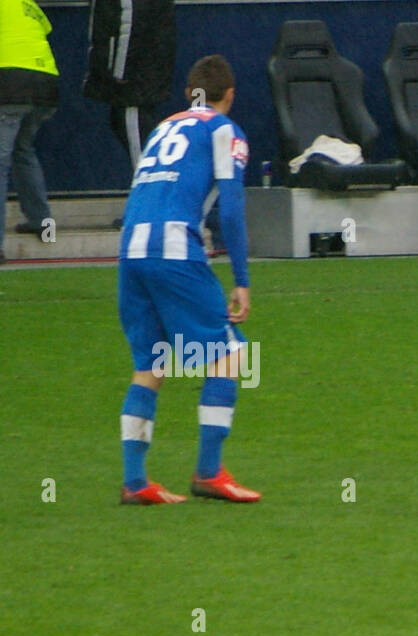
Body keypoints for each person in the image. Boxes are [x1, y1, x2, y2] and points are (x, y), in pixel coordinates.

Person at [116, 54, 260, 505]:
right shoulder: (224, 130)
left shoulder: (163, 127)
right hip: (174, 249)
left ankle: (135, 482)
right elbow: (231, 208)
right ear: (230, 94)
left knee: (152, 364)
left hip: (131, 250)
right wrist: (241, 279)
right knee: (230, 354)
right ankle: (209, 472)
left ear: (189, 93)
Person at [84, 0, 177, 171]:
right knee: (126, 123)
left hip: (133, 79)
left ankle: (152, 182)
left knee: (135, 132)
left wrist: (120, 70)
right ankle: (155, 179)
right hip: (145, 70)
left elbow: (130, 20)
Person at [0, 0, 59, 260]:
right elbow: (45, 29)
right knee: (23, 152)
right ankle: (44, 226)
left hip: (10, 84)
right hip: (46, 84)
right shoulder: (28, 4)